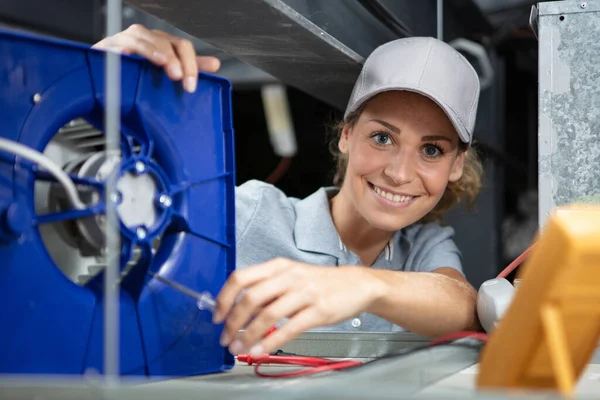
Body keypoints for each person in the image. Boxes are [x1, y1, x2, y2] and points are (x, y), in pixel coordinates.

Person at [95, 25, 484, 358]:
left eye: (431, 150)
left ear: (455, 165)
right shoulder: (251, 212)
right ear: (347, 135)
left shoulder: (423, 247)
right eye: (382, 137)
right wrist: (93, 85)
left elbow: (463, 304)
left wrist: (362, 284)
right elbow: (109, 218)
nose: (399, 173)